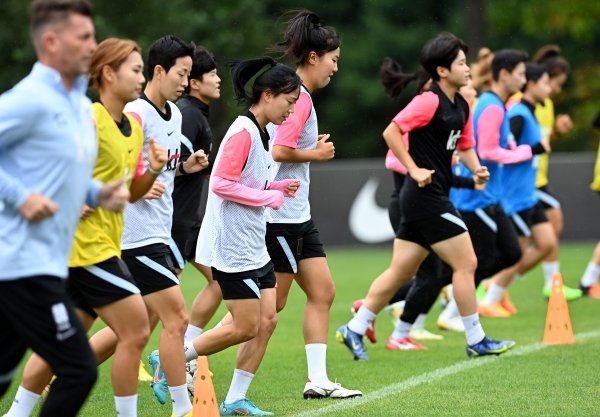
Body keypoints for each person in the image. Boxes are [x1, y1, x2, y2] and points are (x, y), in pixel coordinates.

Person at [4, 37, 168, 417]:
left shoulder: (134, 128)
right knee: (137, 330)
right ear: (108, 73)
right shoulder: (87, 119)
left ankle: (15, 414)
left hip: (102, 245)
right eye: (135, 70)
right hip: (85, 248)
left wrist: (154, 170)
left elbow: (130, 193)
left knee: (60, 345)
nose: (142, 78)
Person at [336, 32, 514, 361]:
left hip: (423, 198)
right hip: (426, 198)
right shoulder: (429, 100)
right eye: (461, 63)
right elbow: (391, 131)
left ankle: (355, 327)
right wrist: (413, 168)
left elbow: (465, 146)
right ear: (442, 71)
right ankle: (476, 339)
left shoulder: (462, 105)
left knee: (402, 272)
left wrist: (476, 169)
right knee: (467, 263)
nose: (468, 69)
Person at [0, 1, 128, 416]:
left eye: (93, 36)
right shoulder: (31, 99)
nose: (93, 45)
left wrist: (97, 194)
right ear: (52, 42)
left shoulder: (77, 104)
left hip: (45, 264)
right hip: (19, 266)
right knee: (78, 369)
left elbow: (62, 172)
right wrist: (20, 197)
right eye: (83, 37)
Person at [85, 35, 206, 417]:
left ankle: (59, 372)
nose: (186, 83)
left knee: (130, 326)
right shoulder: (136, 112)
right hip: (135, 236)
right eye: (181, 74)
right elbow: (114, 161)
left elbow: (157, 169)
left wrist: (182, 168)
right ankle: (183, 408)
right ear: (158, 71)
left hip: (157, 234)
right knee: (175, 318)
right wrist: (134, 182)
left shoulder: (174, 116)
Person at [176, 56, 301, 416]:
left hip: (254, 244)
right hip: (233, 246)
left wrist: (275, 187)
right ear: (268, 95)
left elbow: (247, 181)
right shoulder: (243, 131)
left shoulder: (262, 132)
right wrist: (268, 197)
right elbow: (220, 183)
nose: (291, 111)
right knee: (246, 326)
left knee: (268, 320)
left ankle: (234, 400)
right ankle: (173, 359)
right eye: (289, 102)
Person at [170, 46, 223, 393]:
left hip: (188, 219)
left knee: (220, 280)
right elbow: (168, 167)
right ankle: (65, 366)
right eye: (212, 74)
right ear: (193, 82)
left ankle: (184, 353)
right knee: (142, 315)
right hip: (174, 222)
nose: (218, 80)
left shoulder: (197, 113)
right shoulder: (188, 115)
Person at [531, 45, 582, 300]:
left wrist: (557, 132)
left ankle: (550, 284)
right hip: (527, 180)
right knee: (552, 224)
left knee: (538, 235)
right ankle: (493, 287)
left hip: (540, 179)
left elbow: (543, 142)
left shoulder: (548, 104)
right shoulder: (524, 104)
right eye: (556, 83)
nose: (557, 90)